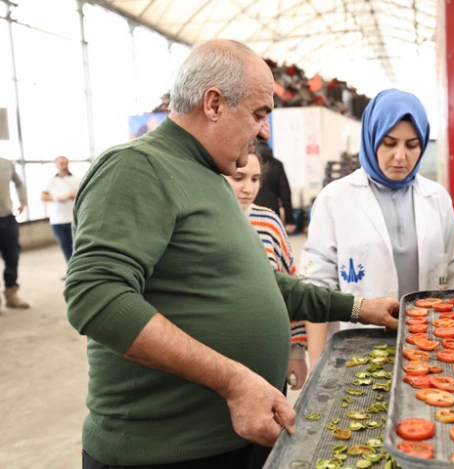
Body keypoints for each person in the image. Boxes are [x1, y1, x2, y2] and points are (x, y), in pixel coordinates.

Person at [65, 39, 398, 469]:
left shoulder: (210, 177)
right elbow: (95, 296)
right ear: (214, 103)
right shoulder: (137, 168)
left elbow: (259, 283)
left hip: (237, 436)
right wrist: (233, 380)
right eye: (260, 114)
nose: (264, 131)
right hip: (166, 453)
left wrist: (359, 307)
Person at [300, 89, 454, 367]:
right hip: (358, 348)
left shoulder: (437, 199)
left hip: (428, 344)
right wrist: (317, 361)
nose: (400, 156)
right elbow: (318, 287)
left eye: (412, 145)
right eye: (389, 143)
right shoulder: (335, 199)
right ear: (371, 138)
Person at [225, 150, 311, 392]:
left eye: (255, 179)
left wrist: (296, 351)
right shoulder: (199, 222)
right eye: (239, 178)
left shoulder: (269, 222)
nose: (248, 189)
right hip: (217, 360)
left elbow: (290, 287)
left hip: (268, 356)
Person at [0, 157, 29, 309]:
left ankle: (11, 293)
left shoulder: (6, 163)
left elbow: (18, 182)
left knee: (12, 256)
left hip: (7, 217)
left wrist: (22, 200)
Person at [40, 156, 80, 264]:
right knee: (65, 247)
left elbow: (83, 195)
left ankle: (80, 270)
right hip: (57, 221)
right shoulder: (50, 181)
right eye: (62, 164)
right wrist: (56, 197)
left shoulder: (76, 179)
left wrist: (71, 196)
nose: (64, 166)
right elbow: (43, 196)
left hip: (72, 219)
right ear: (56, 165)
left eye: (66, 163)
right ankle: (71, 271)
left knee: (77, 247)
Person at [253, 142, 296, 233]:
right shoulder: (277, 164)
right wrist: (290, 220)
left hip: (251, 209)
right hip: (272, 212)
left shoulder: (249, 163)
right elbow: (285, 194)